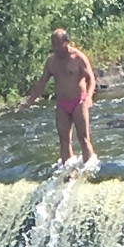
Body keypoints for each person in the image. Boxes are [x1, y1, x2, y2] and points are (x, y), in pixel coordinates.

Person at [23, 28, 97, 171]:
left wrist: (88, 97)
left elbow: (91, 79)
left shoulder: (78, 58)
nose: (55, 47)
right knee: (64, 140)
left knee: (83, 138)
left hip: (78, 102)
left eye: (58, 44)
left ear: (66, 42)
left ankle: (89, 170)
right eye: (53, 44)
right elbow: (42, 82)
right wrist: (29, 102)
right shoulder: (51, 61)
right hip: (62, 104)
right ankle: (67, 171)